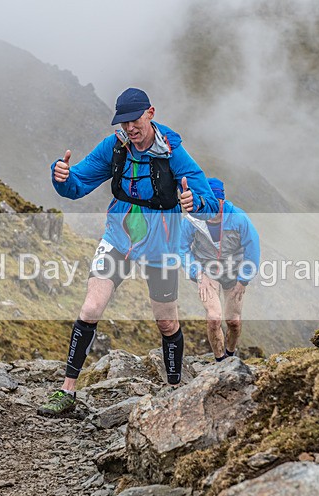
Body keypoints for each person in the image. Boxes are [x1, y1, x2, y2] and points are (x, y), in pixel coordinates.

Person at [38, 88, 219, 416]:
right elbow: (77, 183)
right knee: (91, 307)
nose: (129, 129)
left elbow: (206, 200)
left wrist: (196, 203)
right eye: (123, 123)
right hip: (118, 238)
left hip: (160, 246)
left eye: (134, 121)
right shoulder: (115, 146)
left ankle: (174, 390)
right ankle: (67, 391)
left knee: (166, 323)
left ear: (151, 113)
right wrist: (61, 177)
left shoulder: (174, 154)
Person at [179, 178, 260, 361]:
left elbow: (252, 249)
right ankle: (220, 361)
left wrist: (243, 279)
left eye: (214, 203)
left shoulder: (239, 218)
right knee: (214, 318)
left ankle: (230, 355)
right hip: (207, 271)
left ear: (222, 200)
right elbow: (181, 248)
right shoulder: (192, 219)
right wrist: (198, 273)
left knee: (233, 321)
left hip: (234, 272)